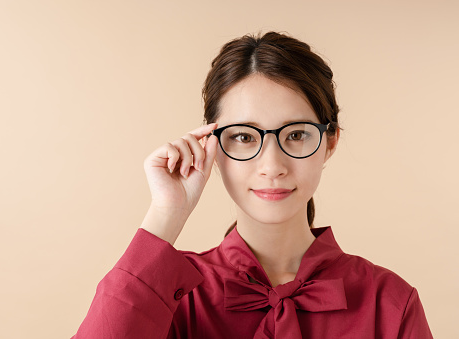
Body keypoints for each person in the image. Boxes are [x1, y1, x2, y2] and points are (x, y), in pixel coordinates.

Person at [71, 31, 433, 338]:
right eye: (244, 137)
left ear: (330, 142)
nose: (272, 166)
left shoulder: (391, 302)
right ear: (211, 144)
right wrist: (165, 215)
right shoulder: (170, 295)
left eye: (295, 135)